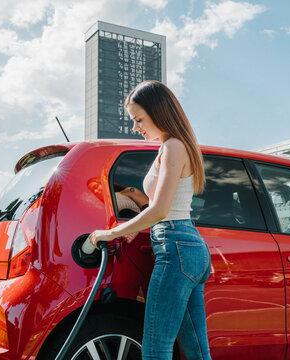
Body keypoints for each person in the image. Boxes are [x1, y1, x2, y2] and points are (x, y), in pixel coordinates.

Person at [88, 80, 212, 360]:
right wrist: (138, 226)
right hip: (188, 246)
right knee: (196, 351)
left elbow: (160, 210)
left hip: (176, 248)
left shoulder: (173, 147)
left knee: (156, 346)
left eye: (139, 119)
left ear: (159, 112)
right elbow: (160, 208)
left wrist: (113, 232)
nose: (136, 127)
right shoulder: (175, 147)